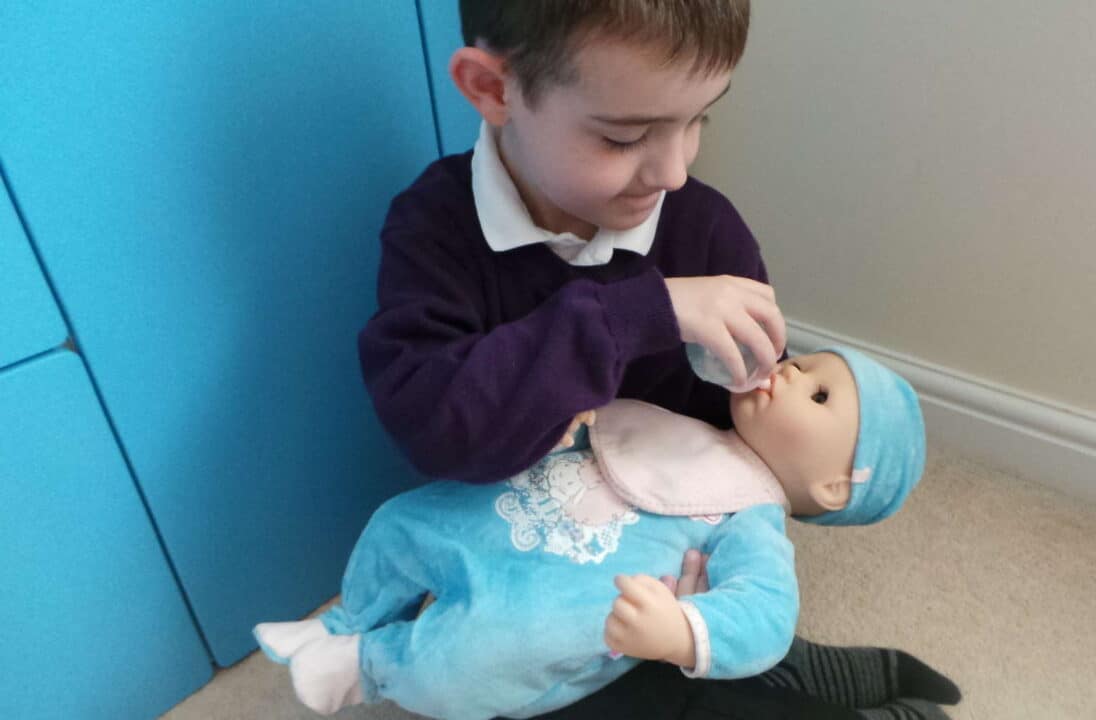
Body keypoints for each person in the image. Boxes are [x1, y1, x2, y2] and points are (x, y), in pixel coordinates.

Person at [346, 1, 959, 716]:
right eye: (624, 137)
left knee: (674, 686)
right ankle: (790, 672)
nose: (674, 171)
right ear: (493, 89)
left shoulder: (706, 229)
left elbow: (753, 447)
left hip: (651, 572)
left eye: (700, 120)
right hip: (522, 558)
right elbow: (438, 429)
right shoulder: (436, 228)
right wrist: (638, 313)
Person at [255, 348, 937, 719]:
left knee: (483, 655)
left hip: (566, 620)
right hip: (509, 521)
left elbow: (764, 613)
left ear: (832, 488)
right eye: (808, 361)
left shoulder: (751, 519)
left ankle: (370, 666)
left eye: (818, 395)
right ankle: (347, 621)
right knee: (403, 520)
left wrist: (683, 630)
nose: (790, 368)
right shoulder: (688, 423)